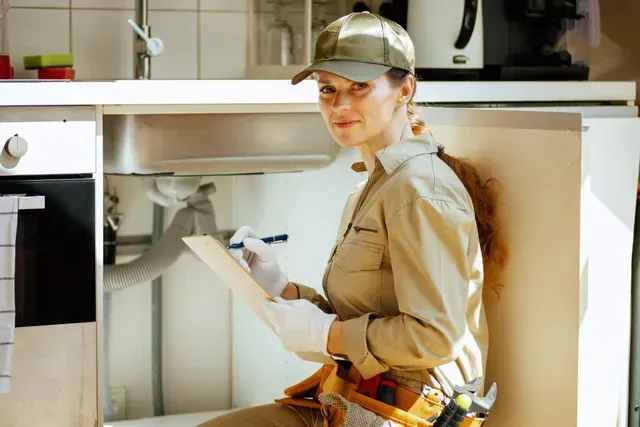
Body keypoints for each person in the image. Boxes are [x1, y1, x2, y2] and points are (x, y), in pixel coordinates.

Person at [198, 11, 507, 427]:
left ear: (404, 90)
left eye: (359, 86)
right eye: (328, 89)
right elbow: (363, 318)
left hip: (406, 415)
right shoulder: (372, 187)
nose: (339, 105)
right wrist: (282, 290)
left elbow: (436, 337)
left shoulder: (418, 190)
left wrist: (325, 334)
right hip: (354, 399)